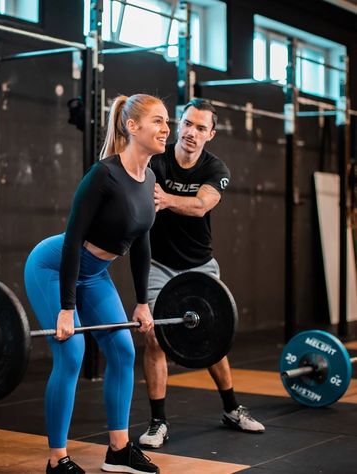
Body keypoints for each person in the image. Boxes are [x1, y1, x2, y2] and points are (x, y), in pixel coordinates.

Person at [24, 94, 170, 474]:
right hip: (53, 267)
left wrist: (142, 303)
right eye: (158, 121)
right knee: (71, 352)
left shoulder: (149, 178)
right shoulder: (103, 175)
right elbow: (72, 240)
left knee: (123, 350)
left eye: (167, 121)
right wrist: (66, 308)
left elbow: (142, 242)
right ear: (132, 126)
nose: (166, 129)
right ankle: (58, 460)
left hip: (94, 273)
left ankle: (118, 451)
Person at [138, 98, 265, 450]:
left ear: (211, 134)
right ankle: (158, 422)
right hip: (157, 263)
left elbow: (201, 206)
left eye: (200, 128)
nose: (191, 133)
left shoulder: (215, 168)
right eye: (187, 124)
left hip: (199, 263)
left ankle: (231, 408)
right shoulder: (157, 159)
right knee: (152, 336)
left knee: (213, 337)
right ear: (179, 124)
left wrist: (165, 200)